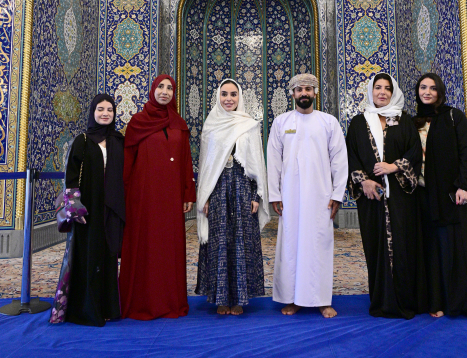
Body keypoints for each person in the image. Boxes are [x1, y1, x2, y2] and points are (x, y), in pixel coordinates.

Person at [267, 73, 348, 318]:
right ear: (292, 94)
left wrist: (337, 194)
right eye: (299, 89)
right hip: (289, 196)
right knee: (290, 246)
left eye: (308, 89)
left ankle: (321, 300)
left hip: (320, 196)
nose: (304, 93)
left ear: (315, 93)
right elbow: (273, 160)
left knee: (319, 244)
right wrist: (275, 194)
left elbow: (339, 160)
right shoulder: (281, 122)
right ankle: (293, 299)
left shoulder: (328, 122)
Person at [346, 72, 426, 319]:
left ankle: (405, 301)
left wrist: (394, 167)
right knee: (375, 246)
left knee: (403, 246)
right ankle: (381, 301)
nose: (382, 92)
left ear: (393, 92)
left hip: (401, 195)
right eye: (377, 87)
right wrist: (364, 181)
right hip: (371, 197)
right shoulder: (358, 122)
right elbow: (350, 155)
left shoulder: (404, 120)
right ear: (370, 92)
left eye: (387, 88)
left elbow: (414, 152)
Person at [119, 75, 196, 320]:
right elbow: (127, 162)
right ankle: (141, 301)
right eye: (160, 87)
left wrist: (188, 192)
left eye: (170, 88)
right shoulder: (138, 122)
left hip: (171, 196)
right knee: (144, 244)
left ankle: (169, 301)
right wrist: (124, 195)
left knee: (167, 246)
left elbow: (186, 161)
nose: (165, 91)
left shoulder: (179, 124)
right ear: (152, 90)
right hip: (142, 196)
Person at [196, 79, 270, 315]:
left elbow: (256, 162)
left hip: (242, 191)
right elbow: (206, 166)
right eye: (224, 94)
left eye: (233, 94)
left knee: (241, 241)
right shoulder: (210, 126)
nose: (229, 99)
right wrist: (205, 197)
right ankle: (220, 298)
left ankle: (239, 298)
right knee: (219, 242)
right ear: (218, 97)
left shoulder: (249, 125)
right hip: (217, 191)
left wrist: (257, 195)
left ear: (240, 98)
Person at [50, 95, 126, 326]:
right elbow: (72, 176)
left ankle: (108, 307)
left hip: (112, 209)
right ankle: (87, 309)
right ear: (93, 112)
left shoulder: (118, 140)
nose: (105, 113)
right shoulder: (82, 140)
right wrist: (76, 208)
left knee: (109, 256)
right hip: (88, 210)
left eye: (109, 110)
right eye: (100, 109)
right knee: (89, 256)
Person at [413, 73, 467, 321]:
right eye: (423, 87)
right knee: (432, 250)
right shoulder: (413, 122)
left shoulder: (454, 116)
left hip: (453, 196)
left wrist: (465, 186)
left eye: (432, 88)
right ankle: (437, 301)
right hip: (424, 197)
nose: (427, 92)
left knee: (458, 248)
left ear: (440, 92)